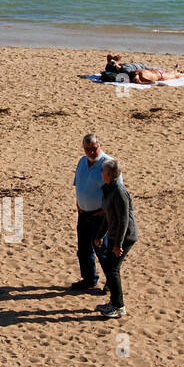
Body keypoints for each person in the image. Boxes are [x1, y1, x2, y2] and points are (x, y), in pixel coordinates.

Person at [69, 134, 117, 292]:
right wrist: (79, 202)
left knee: (103, 251)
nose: (90, 152)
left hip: (100, 217)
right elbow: (78, 183)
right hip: (83, 214)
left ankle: (112, 282)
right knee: (83, 249)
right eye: (87, 149)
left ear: (100, 146)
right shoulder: (82, 162)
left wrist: (105, 211)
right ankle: (89, 279)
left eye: (93, 149)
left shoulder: (108, 164)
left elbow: (116, 192)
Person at [95, 158, 138, 318]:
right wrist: (100, 235)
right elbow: (108, 216)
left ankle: (118, 306)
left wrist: (118, 244)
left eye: (102, 171)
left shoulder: (119, 191)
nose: (100, 173)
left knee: (112, 269)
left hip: (125, 236)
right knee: (110, 267)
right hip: (115, 234)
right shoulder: (108, 189)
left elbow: (123, 220)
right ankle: (114, 302)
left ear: (109, 174)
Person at [102, 54, 184, 84]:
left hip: (146, 68)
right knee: (170, 74)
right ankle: (182, 72)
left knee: (169, 73)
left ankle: (177, 70)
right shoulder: (126, 71)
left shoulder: (124, 69)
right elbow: (151, 82)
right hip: (148, 69)